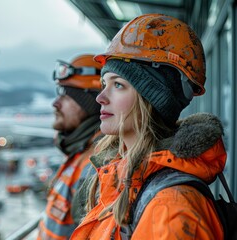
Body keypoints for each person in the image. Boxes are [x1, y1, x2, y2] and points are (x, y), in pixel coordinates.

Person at [70, 14, 227, 239]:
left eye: (118, 85)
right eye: (104, 84)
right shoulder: (122, 180)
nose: (101, 98)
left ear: (153, 98)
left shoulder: (171, 210)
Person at [37, 54, 103, 239]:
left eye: (67, 96)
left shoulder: (95, 166)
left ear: (90, 105)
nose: (55, 103)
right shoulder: (79, 152)